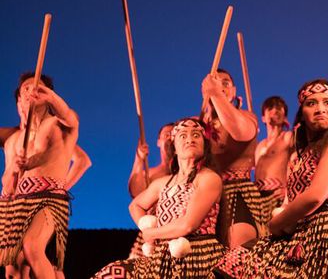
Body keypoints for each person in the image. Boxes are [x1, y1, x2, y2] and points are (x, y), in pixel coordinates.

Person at [217, 79, 328, 278]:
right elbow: (294, 198)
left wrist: (274, 225)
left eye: (327, 102)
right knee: (234, 264)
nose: (320, 109)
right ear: (302, 114)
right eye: (311, 103)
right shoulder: (302, 154)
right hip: (302, 230)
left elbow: (315, 197)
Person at [92, 117, 225, 279]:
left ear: (205, 145)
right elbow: (135, 205)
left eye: (196, 135)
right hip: (162, 254)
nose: (190, 139)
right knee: (110, 274)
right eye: (183, 136)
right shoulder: (162, 183)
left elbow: (188, 225)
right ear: (174, 147)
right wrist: (147, 228)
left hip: (197, 253)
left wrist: (152, 233)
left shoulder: (209, 178)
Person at [0, 73, 79, 279]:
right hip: (17, 203)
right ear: (19, 99)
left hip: (48, 199)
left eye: (37, 87)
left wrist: (51, 97)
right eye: (25, 88)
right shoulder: (14, 138)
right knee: (13, 268)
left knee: (32, 246)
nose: (30, 91)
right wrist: (14, 171)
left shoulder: (57, 124)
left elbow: (70, 118)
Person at [201, 69, 265, 248]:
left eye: (225, 83)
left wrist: (216, 94)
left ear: (234, 91)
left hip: (237, 194)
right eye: (215, 82)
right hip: (204, 198)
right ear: (204, 89)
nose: (220, 86)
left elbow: (238, 131)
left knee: (238, 258)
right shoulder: (198, 126)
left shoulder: (246, 117)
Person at [127, 123, 174, 259]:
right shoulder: (151, 174)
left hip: (177, 230)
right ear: (158, 142)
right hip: (152, 233)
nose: (170, 138)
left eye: (173, 134)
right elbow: (135, 192)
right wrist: (139, 159)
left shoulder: (188, 172)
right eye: (166, 135)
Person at [254, 96, 292, 226]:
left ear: (285, 117)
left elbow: (297, 161)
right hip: (259, 200)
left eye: (279, 108)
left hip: (278, 196)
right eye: (270, 108)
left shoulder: (287, 138)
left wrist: (288, 191)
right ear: (263, 118)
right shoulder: (259, 146)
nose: (275, 110)